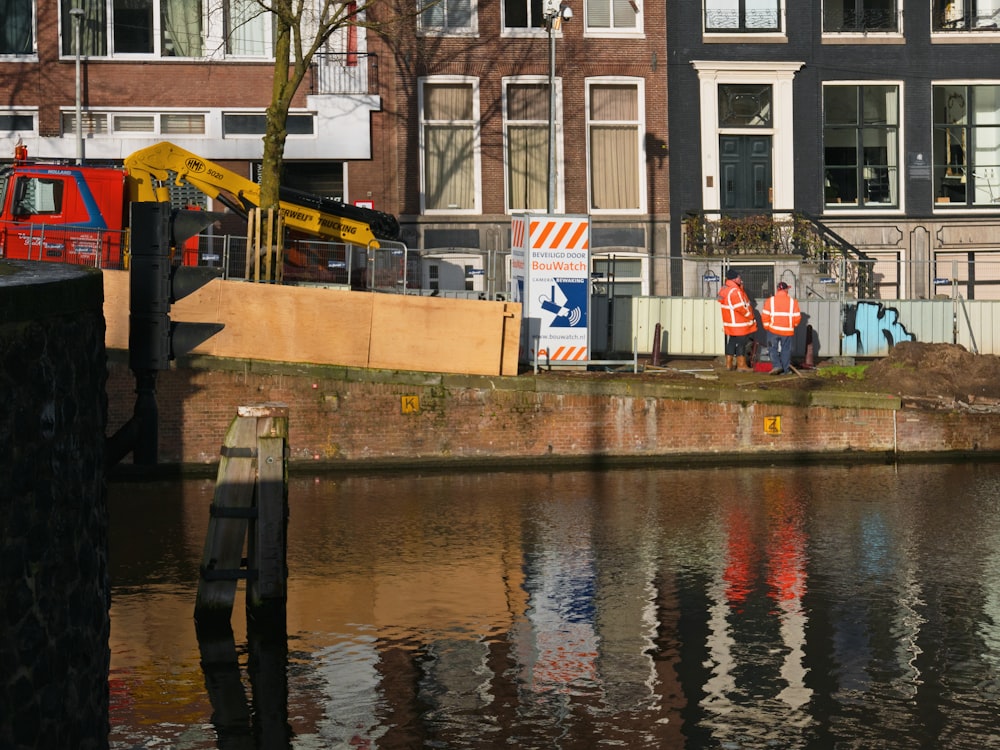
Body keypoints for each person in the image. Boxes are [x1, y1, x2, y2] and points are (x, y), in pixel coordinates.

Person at [717, 269, 757, 371]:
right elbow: (740, 307)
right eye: (739, 277)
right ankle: (741, 365)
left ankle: (729, 364)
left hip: (731, 322)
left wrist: (741, 287)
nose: (741, 279)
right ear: (734, 278)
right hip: (740, 322)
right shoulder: (735, 291)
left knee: (731, 341)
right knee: (741, 343)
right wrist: (750, 316)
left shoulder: (725, 289)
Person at [761, 281, 802, 375]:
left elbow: (765, 315)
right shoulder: (793, 302)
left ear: (778, 290)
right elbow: (797, 317)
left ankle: (777, 366)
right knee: (786, 350)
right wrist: (793, 325)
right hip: (787, 331)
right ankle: (785, 370)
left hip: (773, 330)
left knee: (772, 349)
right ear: (786, 289)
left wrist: (767, 326)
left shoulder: (770, 301)